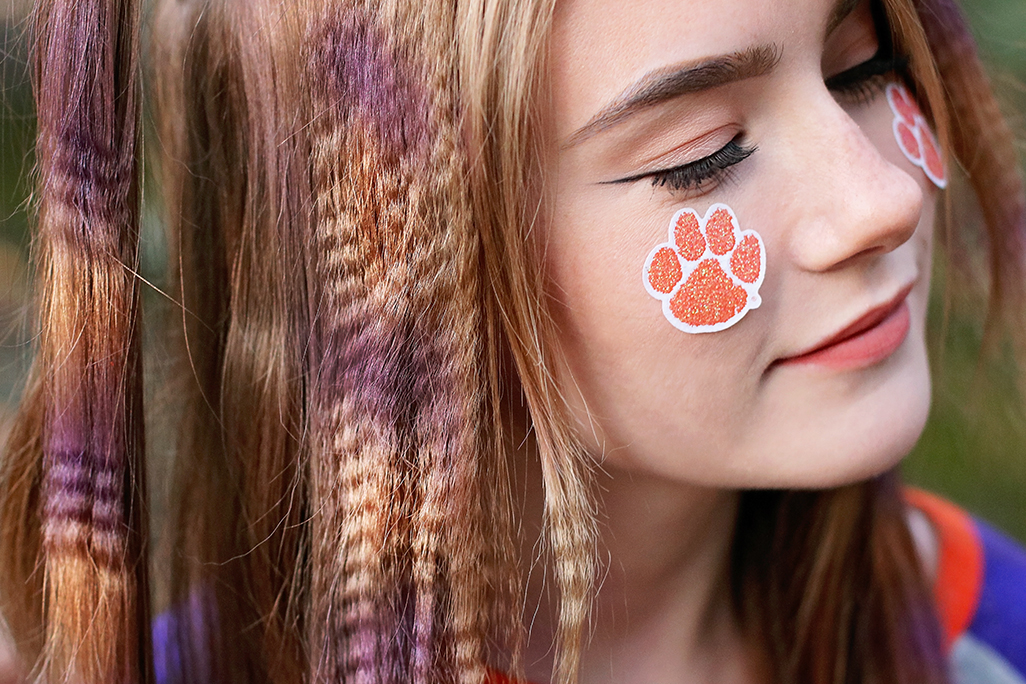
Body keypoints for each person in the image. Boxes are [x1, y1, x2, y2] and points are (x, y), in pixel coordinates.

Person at [1, 0, 1024, 682]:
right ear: (398, 277)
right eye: (704, 155)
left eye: (861, 67)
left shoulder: (989, 637)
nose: (880, 197)